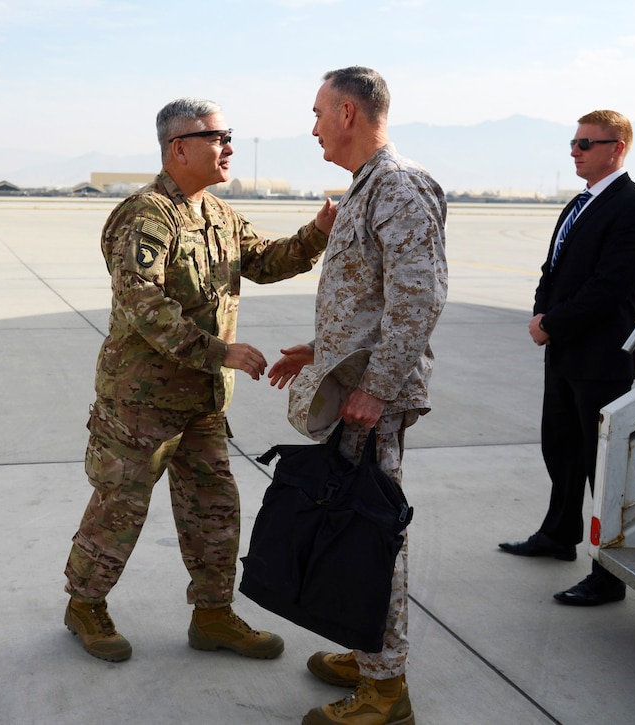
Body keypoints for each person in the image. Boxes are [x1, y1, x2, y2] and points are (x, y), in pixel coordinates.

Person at [62, 97, 337, 663]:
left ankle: (212, 615)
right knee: (120, 509)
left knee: (215, 510)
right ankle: (85, 604)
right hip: (140, 406)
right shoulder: (145, 216)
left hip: (201, 404)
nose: (229, 146)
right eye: (218, 136)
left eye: (229, 135)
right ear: (178, 147)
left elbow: (265, 260)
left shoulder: (217, 214)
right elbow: (145, 305)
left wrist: (317, 232)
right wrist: (219, 351)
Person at [268, 67, 447, 725]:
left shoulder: (396, 188)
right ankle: (367, 644)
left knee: (371, 533)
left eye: (317, 111)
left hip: (374, 400)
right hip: (355, 391)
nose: (312, 125)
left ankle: (384, 691)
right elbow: (370, 302)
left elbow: (417, 300)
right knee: (351, 527)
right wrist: (318, 352)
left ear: (348, 112)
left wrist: (376, 387)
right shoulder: (366, 188)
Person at [498, 111, 635, 606]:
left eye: (586, 144)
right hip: (565, 353)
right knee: (562, 450)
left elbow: (609, 286)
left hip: (601, 357)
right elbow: (554, 267)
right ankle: (558, 534)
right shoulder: (580, 202)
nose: (575, 150)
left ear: (618, 148)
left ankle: (608, 573)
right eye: (573, 142)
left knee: (602, 467)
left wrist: (552, 323)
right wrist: (540, 311)